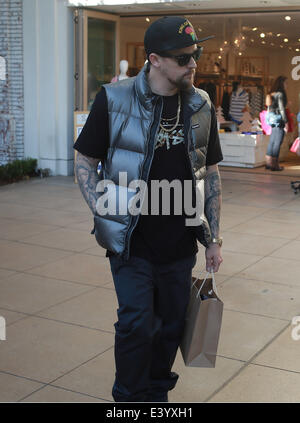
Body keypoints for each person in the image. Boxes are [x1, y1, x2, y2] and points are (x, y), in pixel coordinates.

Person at [73, 16, 223, 403]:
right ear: (155, 59)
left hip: (179, 244)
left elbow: (211, 175)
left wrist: (213, 238)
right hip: (131, 244)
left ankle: (157, 395)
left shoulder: (201, 105)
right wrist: (104, 211)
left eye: (196, 54)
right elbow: (85, 161)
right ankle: (128, 398)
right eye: (184, 57)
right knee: (137, 324)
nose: (194, 64)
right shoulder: (114, 99)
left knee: (170, 327)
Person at [265, 76, 288, 171]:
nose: (287, 85)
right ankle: (275, 165)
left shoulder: (272, 93)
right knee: (277, 142)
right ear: (281, 83)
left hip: (272, 120)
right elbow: (282, 109)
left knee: (272, 141)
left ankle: (268, 163)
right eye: (286, 83)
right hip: (279, 120)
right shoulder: (280, 94)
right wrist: (286, 122)